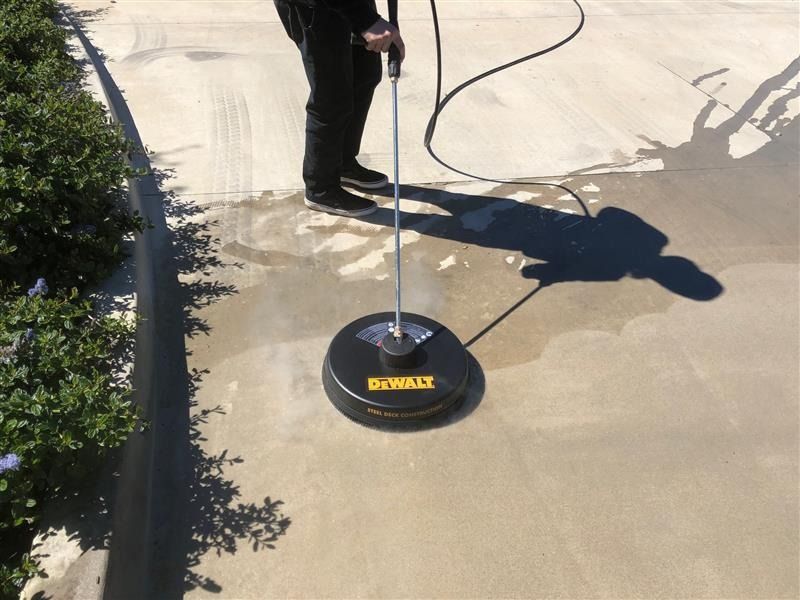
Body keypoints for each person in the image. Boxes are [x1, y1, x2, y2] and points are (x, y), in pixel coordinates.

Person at [274, 0, 406, 217]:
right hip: (315, 8)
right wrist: (365, 19)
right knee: (331, 95)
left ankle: (342, 163)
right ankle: (320, 188)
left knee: (365, 75)